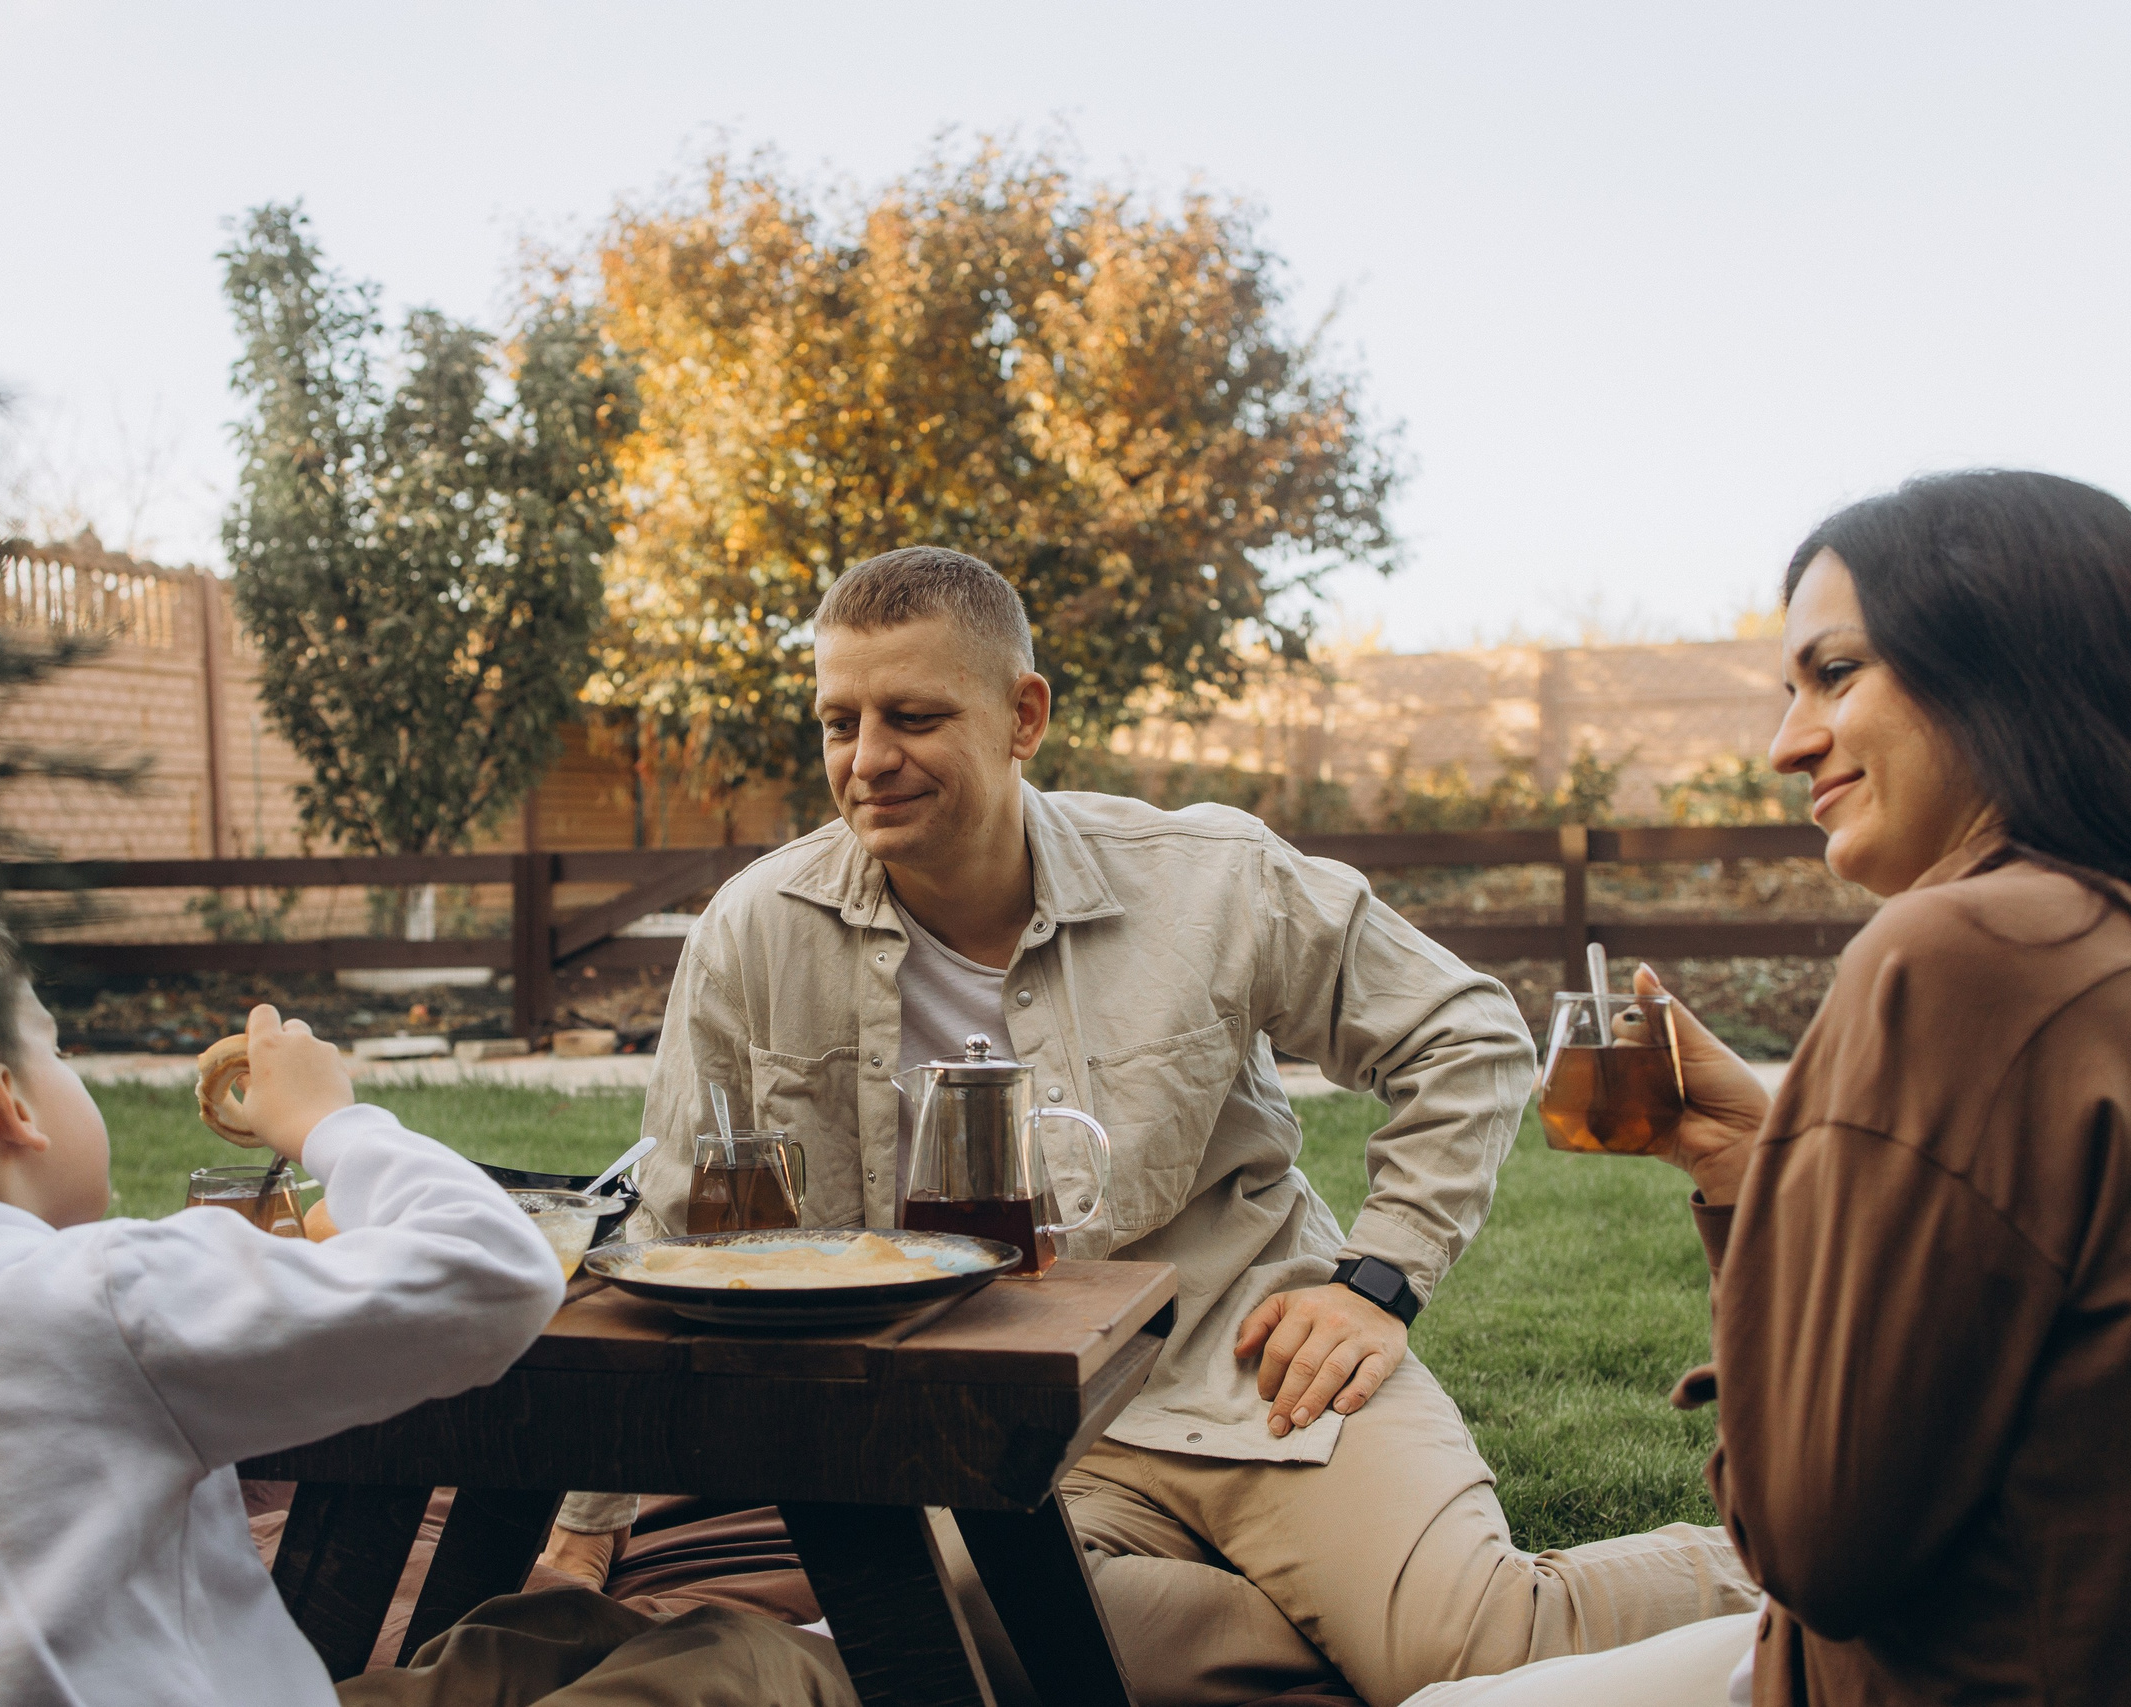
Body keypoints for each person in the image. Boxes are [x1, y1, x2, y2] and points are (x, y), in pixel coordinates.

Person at [548, 547, 1758, 1706]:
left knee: (1478, 1644)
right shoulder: (755, 931)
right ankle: (1341, 1638)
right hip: (994, 1433)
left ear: (1022, 717)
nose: (868, 759)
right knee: (956, 1646)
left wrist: (1375, 1283)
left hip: (1262, 1365)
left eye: (913, 717)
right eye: (838, 721)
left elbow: (1467, 1038)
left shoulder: (1208, 877)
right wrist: (582, 1533)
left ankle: (1792, 1568)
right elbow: (671, 1215)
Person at [1400, 470, 2131, 1705]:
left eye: (1835, 673)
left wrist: (1784, 1252)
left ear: (2002, 658)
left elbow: (1812, 1543)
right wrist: (1758, 1165)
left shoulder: (1964, 952)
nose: (1783, 744)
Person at [0, 900, 856, 1707]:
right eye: (59, 1051)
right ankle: (862, 1656)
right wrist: (327, 1121)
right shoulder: (101, 1298)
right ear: (11, 1106)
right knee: (737, 1666)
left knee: (542, 1638)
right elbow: (490, 1269)